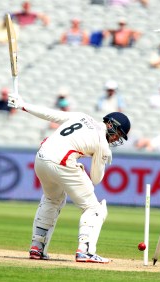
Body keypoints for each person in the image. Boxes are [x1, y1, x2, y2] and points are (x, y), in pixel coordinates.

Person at [7, 91, 131, 263]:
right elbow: (96, 179)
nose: (117, 138)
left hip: (41, 158)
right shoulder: (103, 144)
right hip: (61, 162)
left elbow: (51, 114)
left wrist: (23, 105)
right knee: (94, 208)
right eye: (118, 133)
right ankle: (85, 251)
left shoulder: (82, 117)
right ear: (110, 124)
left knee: (52, 199)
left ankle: (37, 247)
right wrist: (103, 158)